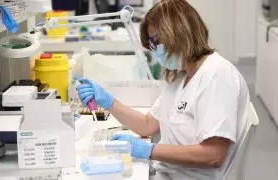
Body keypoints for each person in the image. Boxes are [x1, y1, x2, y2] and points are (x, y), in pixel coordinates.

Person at [77, 0, 250, 179]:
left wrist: (148, 150)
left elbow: (214, 155)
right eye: (152, 44)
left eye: (156, 41)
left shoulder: (217, 75)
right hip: (167, 173)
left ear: (179, 32)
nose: (155, 50)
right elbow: (147, 125)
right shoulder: (182, 77)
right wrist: (108, 102)